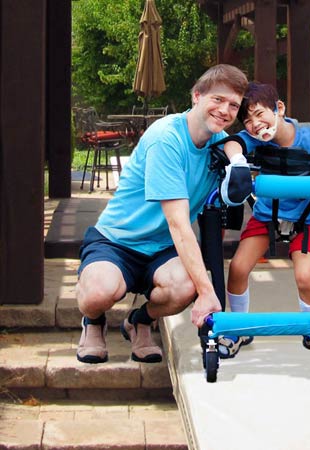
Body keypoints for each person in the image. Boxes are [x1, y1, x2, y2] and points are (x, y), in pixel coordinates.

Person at [75, 64, 249, 364]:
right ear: (196, 96)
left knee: (184, 287)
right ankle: (93, 321)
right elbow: (179, 224)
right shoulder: (167, 138)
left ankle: (139, 321)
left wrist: (239, 159)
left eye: (233, 105)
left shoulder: (218, 144)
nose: (225, 110)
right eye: (218, 99)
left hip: (162, 249)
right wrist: (208, 293)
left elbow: (248, 138)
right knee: (99, 292)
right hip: (118, 241)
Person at [216, 82, 310, 363]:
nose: (254, 124)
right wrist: (237, 160)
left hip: (305, 220)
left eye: (260, 114)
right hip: (265, 217)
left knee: (305, 277)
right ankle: (238, 327)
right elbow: (232, 142)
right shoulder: (255, 140)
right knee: (237, 267)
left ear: (279, 109)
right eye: (248, 120)